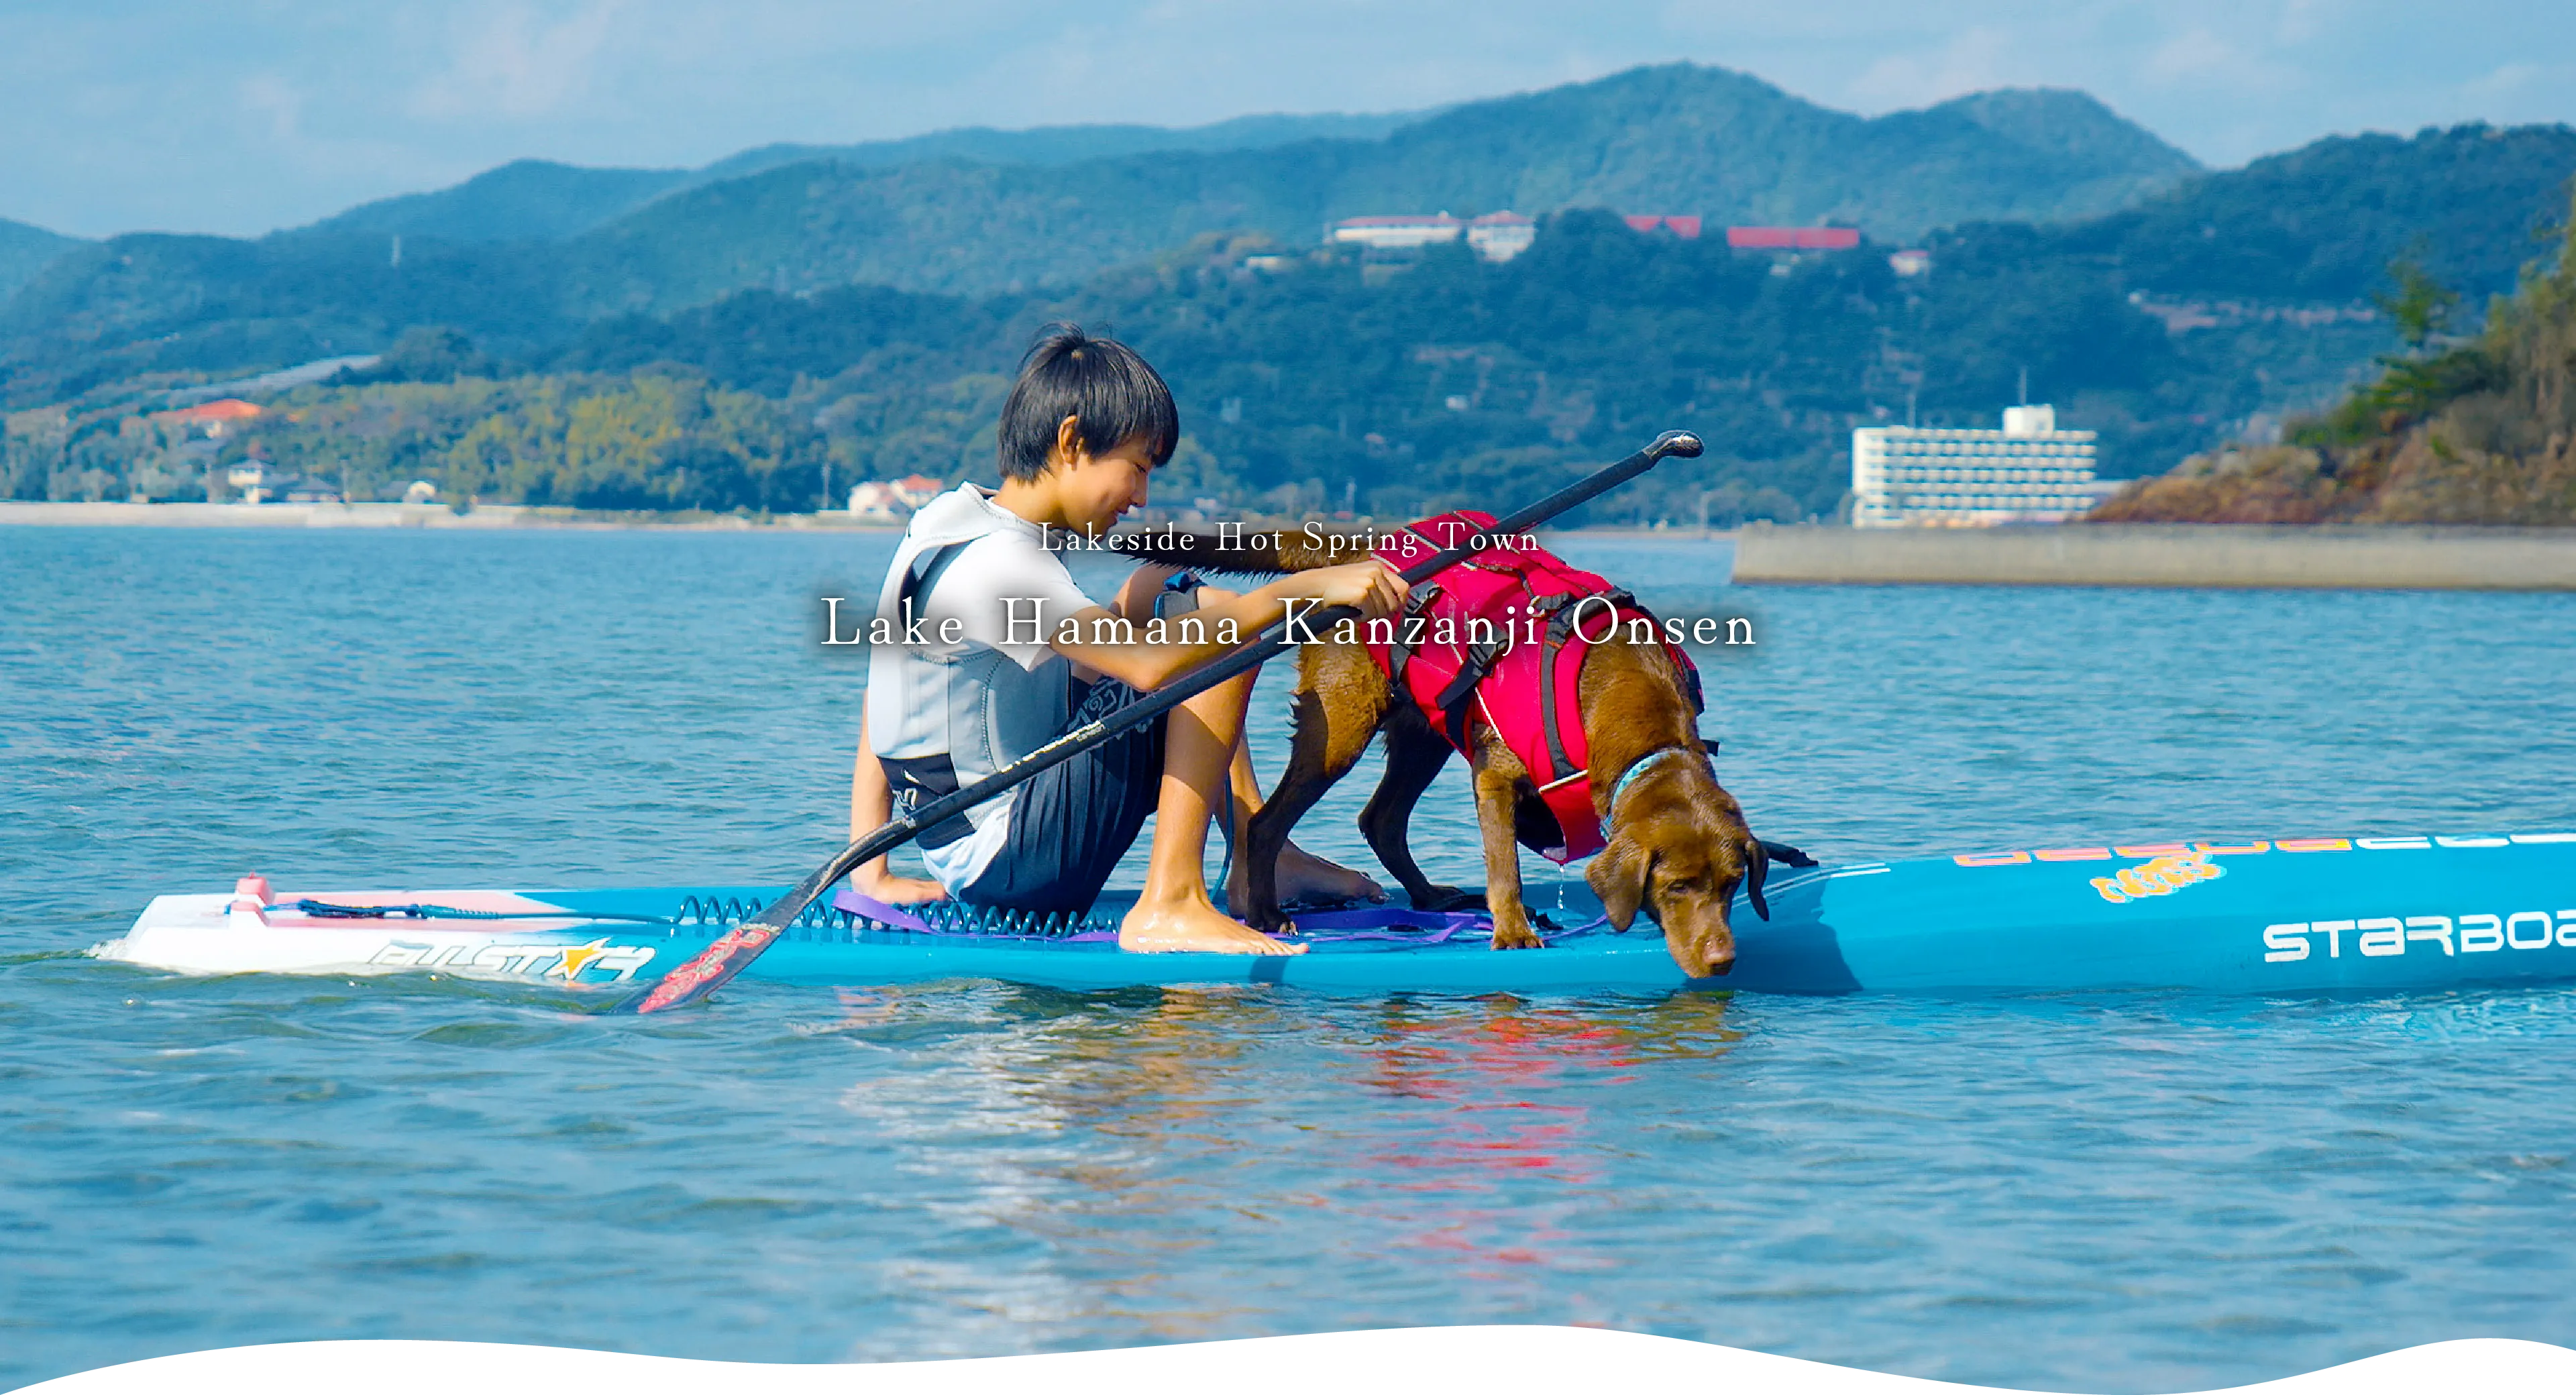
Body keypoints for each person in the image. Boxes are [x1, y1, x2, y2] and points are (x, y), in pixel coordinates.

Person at [847, 325, 1405, 954]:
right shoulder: (1000, 565)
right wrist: (1302, 588)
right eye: (1137, 468)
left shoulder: (948, 522)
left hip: (981, 837)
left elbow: (886, 685)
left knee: (1157, 591)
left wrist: (870, 868)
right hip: (1009, 867)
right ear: (1071, 441)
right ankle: (1171, 902)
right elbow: (1147, 665)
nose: (1141, 498)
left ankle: (1257, 854)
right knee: (1210, 645)